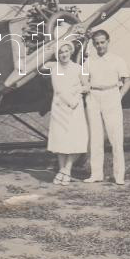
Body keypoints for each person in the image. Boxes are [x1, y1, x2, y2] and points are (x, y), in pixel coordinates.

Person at [83, 30, 130, 185]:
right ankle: (96, 174)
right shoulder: (88, 61)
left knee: (116, 138)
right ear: (93, 44)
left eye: (102, 42)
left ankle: (119, 175)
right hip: (93, 96)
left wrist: (118, 97)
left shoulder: (118, 60)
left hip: (112, 95)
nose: (100, 46)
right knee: (95, 137)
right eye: (97, 43)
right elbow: (83, 82)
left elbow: (127, 82)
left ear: (108, 41)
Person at [45, 41, 89, 186]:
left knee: (73, 139)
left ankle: (66, 170)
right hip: (59, 107)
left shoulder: (78, 68)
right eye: (60, 52)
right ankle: (62, 170)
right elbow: (40, 64)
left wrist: (77, 92)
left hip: (74, 107)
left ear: (71, 52)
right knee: (60, 139)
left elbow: (87, 86)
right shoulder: (53, 67)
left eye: (66, 51)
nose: (63, 54)